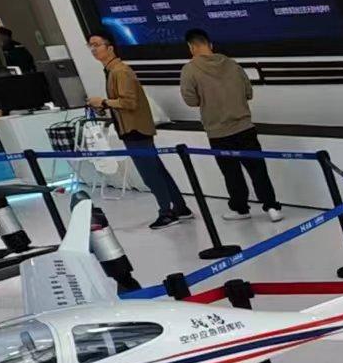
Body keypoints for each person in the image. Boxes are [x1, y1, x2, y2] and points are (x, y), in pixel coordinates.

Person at [85, 28, 193, 229]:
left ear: (110, 47)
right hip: (131, 129)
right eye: (90, 46)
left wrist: (104, 102)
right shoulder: (112, 71)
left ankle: (167, 211)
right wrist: (103, 106)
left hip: (135, 130)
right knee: (157, 170)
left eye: (97, 45)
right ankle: (180, 207)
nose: (93, 49)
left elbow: (129, 102)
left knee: (150, 174)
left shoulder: (121, 71)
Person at [179, 28, 282, 223]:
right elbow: (249, 93)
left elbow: (190, 100)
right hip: (245, 127)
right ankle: (272, 207)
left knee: (231, 174)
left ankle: (241, 209)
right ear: (210, 45)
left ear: (191, 47)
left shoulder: (189, 69)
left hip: (218, 132)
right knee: (258, 170)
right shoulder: (233, 64)